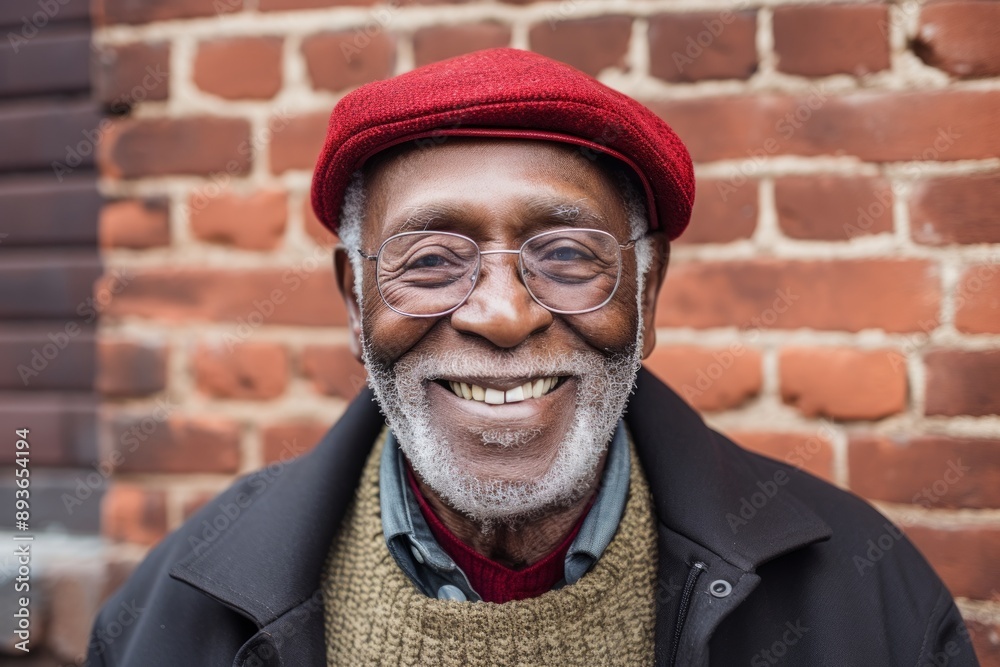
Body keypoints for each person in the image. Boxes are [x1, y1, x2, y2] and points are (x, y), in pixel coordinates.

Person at [87, 48, 977, 667]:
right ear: (354, 301)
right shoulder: (173, 612)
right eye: (431, 260)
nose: (504, 315)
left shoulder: (866, 597)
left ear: (649, 290)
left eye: (567, 255)